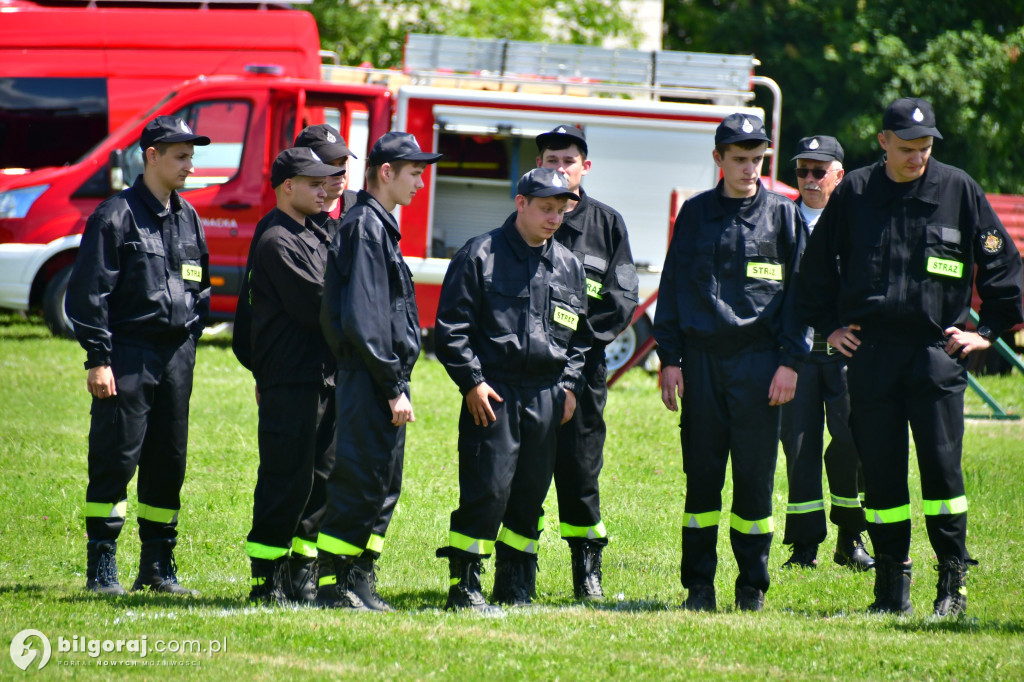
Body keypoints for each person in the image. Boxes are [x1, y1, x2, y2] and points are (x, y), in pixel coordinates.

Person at [798, 97, 1023, 616]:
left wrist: (986, 329)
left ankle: (952, 589)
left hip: (934, 354)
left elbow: (1001, 264)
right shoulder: (855, 190)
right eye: (907, 148)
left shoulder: (958, 189)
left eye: (925, 148)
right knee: (881, 474)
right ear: (883, 142)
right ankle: (890, 591)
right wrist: (830, 326)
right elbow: (815, 270)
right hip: (872, 354)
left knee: (943, 474)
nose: (918, 157)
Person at [653, 113, 809, 612]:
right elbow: (673, 289)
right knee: (701, 478)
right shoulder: (695, 215)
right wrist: (670, 359)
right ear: (718, 159)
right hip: (700, 364)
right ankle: (698, 586)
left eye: (757, 159)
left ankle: (751, 587)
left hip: (761, 364)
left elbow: (802, 299)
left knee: (754, 480)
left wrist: (791, 362)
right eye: (739, 159)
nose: (749, 169)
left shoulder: (784, 216)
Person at [65, 115, 212, 595]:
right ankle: (101, 567)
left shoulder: (188, 217)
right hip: (127, 353)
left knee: (169, 460)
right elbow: (89, 295)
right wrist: (98, 358)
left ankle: (157, 566)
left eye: (192, 155)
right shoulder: (115, 215)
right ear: (151, 156)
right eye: (181, 156)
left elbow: (201, 287)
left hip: (175, 357)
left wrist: (189, 336)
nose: (190, 165)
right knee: (115, 455)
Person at [434, 167, 592, 611]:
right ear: (520, 203)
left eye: (561, 210)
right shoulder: (479, 254)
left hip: (545, 394)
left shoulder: (567, 265)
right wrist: (472, 382)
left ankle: (515, 582)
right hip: (494, 393)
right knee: (488, 489)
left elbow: (579, 337)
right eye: (546, 208)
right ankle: (464, 584)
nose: (554, 219)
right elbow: (451, 329)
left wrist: (568, 386)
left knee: (529, 494)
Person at [316, 132, 441, 611]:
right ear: (385, 172)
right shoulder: (366, 227)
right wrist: (392, 386)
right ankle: (336, 587)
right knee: (360, 479)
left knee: (383, 483)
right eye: (414, 172)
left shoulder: (378, 224)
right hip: (372, 377)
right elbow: (365, 317)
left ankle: (360, 580)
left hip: (383, 376)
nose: (421, 182)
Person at [231, 124, 356, 603]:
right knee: (287, 480)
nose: (326, 189)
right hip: (293, 380)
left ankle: (300, 574)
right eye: (314, 183)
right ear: (288, 187)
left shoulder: (314, 230)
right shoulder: (278, 240)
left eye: (328, 181)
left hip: (322, 377)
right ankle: (266, 579)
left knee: (320, 482)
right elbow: (321, 306)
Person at [534, 124, 638, 599]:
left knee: (580, 470)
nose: (558, 169)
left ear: (584, 167)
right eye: (550, 160)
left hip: (586, 370)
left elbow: (621, 299)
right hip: (531, 369)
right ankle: (518, 570)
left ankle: (587, 573)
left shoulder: (608, 224)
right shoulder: (525, 217)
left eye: (567, 161)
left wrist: (576, 353)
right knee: (524, 471)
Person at [780, 135, 874, 572]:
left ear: (840, 174)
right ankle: (803, 545)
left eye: (820, 171)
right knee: (799, 448)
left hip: (847, 355)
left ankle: (850, 537)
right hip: (795, 356)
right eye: (803, 170)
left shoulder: (857, 219)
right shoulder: (780, 218)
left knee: (851, 445)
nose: (811, 179)